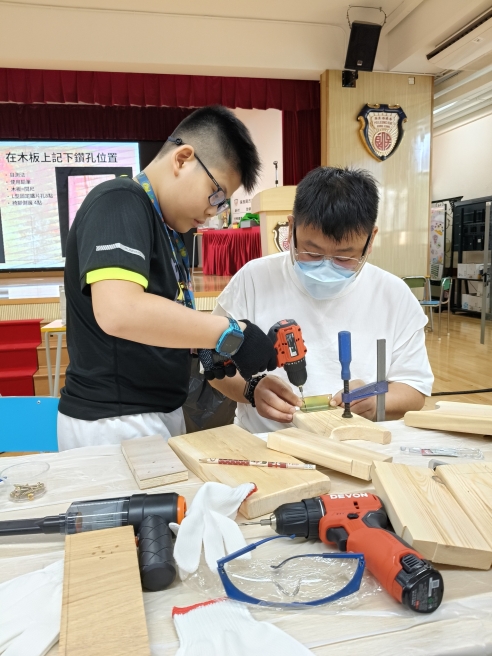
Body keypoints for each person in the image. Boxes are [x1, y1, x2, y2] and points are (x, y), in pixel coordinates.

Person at [57, 106, 278, 450]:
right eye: (216, 194)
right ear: (183, 159)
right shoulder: (119, 200)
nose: (214, 211)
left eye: (222, 204)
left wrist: (202, 344)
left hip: (150, 414)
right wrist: (231, 332)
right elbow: (119, 311)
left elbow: (150, 320)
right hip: (115, 421)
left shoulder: (165, 227)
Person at [209, 166, 433, 434]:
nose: (326, 267)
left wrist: (376, 402)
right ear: (291, 228)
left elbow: (414, 389)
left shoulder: (394, 296)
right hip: (265, 442)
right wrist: (251, 390)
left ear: (370, 239)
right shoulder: (253, 280)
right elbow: (212, 363)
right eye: (312, 253)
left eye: (344, 257)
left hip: (356, 443)